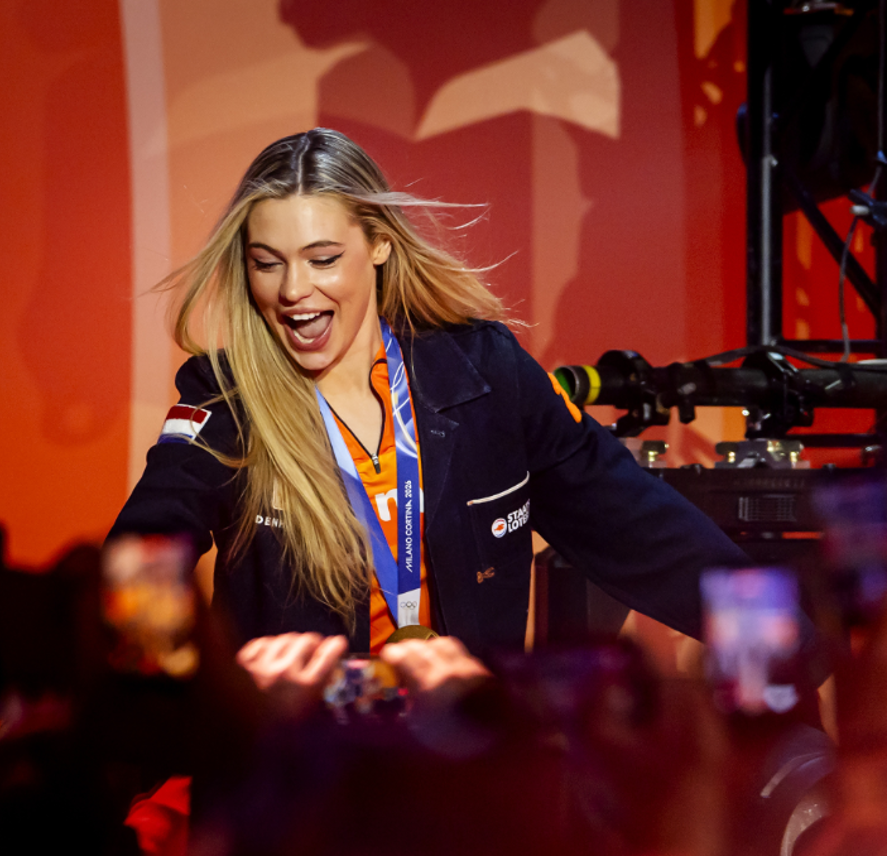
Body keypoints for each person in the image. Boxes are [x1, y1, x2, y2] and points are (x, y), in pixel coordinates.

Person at [110, 127, 746, 702]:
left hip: (461, 776)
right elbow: (141, 560)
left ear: (380, 245)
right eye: (267, 263)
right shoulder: (228, 400)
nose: (293, 290)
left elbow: (639, 527)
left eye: (323, 259)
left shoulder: (484, 373)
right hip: (304, 795)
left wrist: (780, 637)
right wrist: (202, 694)